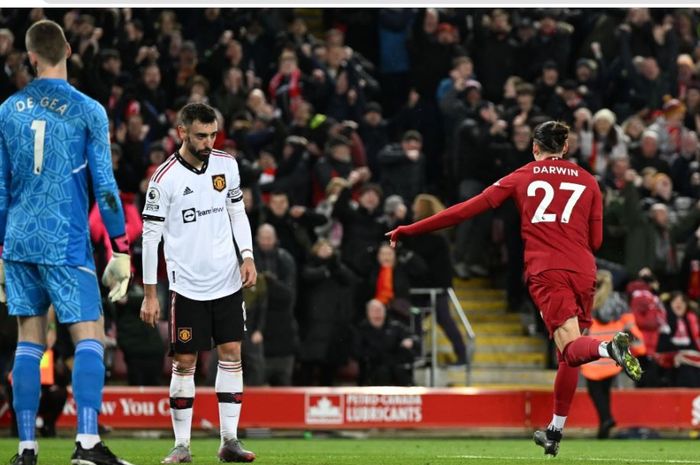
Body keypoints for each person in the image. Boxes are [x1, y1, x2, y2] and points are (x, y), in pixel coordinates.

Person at [387, 121, 642, 457]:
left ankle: (610, 349)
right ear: (564, 148)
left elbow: (465, 211)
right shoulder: (589, 181)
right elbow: (596, 241)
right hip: (583, 270)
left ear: (535, 148)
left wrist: (409, 229)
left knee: (570, 348)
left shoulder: (522, 176)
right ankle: (555, 431)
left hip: (547, 269)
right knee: (569, 353)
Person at [0, 20, 132, 465]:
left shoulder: (6, 110)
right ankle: (88, 446)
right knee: (89, 335)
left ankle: (25, 449)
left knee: (28, 341)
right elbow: (107, 186)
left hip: (18, 241)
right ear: (69, 50)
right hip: (65, 241)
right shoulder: (88, 110)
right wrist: (121, 248)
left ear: (30, 56)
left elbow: (0, 189)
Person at [139, 102, 257, 463]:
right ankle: (182, 445)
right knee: (185, 362)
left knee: (232, 354)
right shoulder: (164, 179)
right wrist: (149, 294)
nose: (208, 142)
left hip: (226, 280)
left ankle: (229, 441)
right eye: (201, 135)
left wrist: (248, 255)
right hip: (186, 285)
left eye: (212, 135)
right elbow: (149, 237)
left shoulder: (227, 165)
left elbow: (237, 211)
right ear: (182, 133)